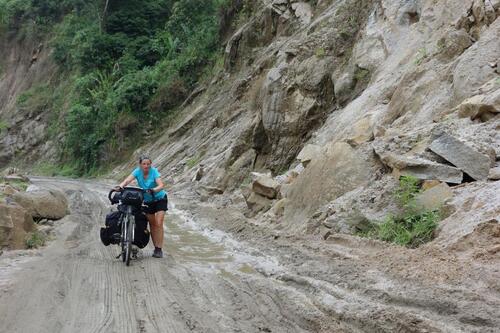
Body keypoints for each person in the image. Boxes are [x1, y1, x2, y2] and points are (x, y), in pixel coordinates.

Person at [115, 156, 168, 258]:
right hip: (147, 201)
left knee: (159, 222)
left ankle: (159, 249)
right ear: (140, 165)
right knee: (152, 224)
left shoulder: (154, 172)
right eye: (144, 164)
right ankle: (156, 248)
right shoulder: (137, 172)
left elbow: (161, 185)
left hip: (160, 198)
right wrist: (120, 186)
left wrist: (153, 190)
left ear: (150, 164)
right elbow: (127, 181)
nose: (146, 166)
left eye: (148, 164)